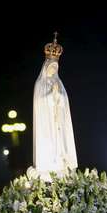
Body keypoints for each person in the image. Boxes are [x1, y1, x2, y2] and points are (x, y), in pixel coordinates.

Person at [30, 33, 78, 181]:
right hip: (46, 125)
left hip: (58, 124)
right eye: (51, 67)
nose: (53, 69)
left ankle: (63, 165)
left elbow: (65, 103)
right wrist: (52, 96)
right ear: (46, 67)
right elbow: (40, 104)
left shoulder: (59, 83)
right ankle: (47, 169)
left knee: (60, 145)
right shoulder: (40, 84)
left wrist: (59, 96)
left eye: (55, 67)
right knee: (50, 146)